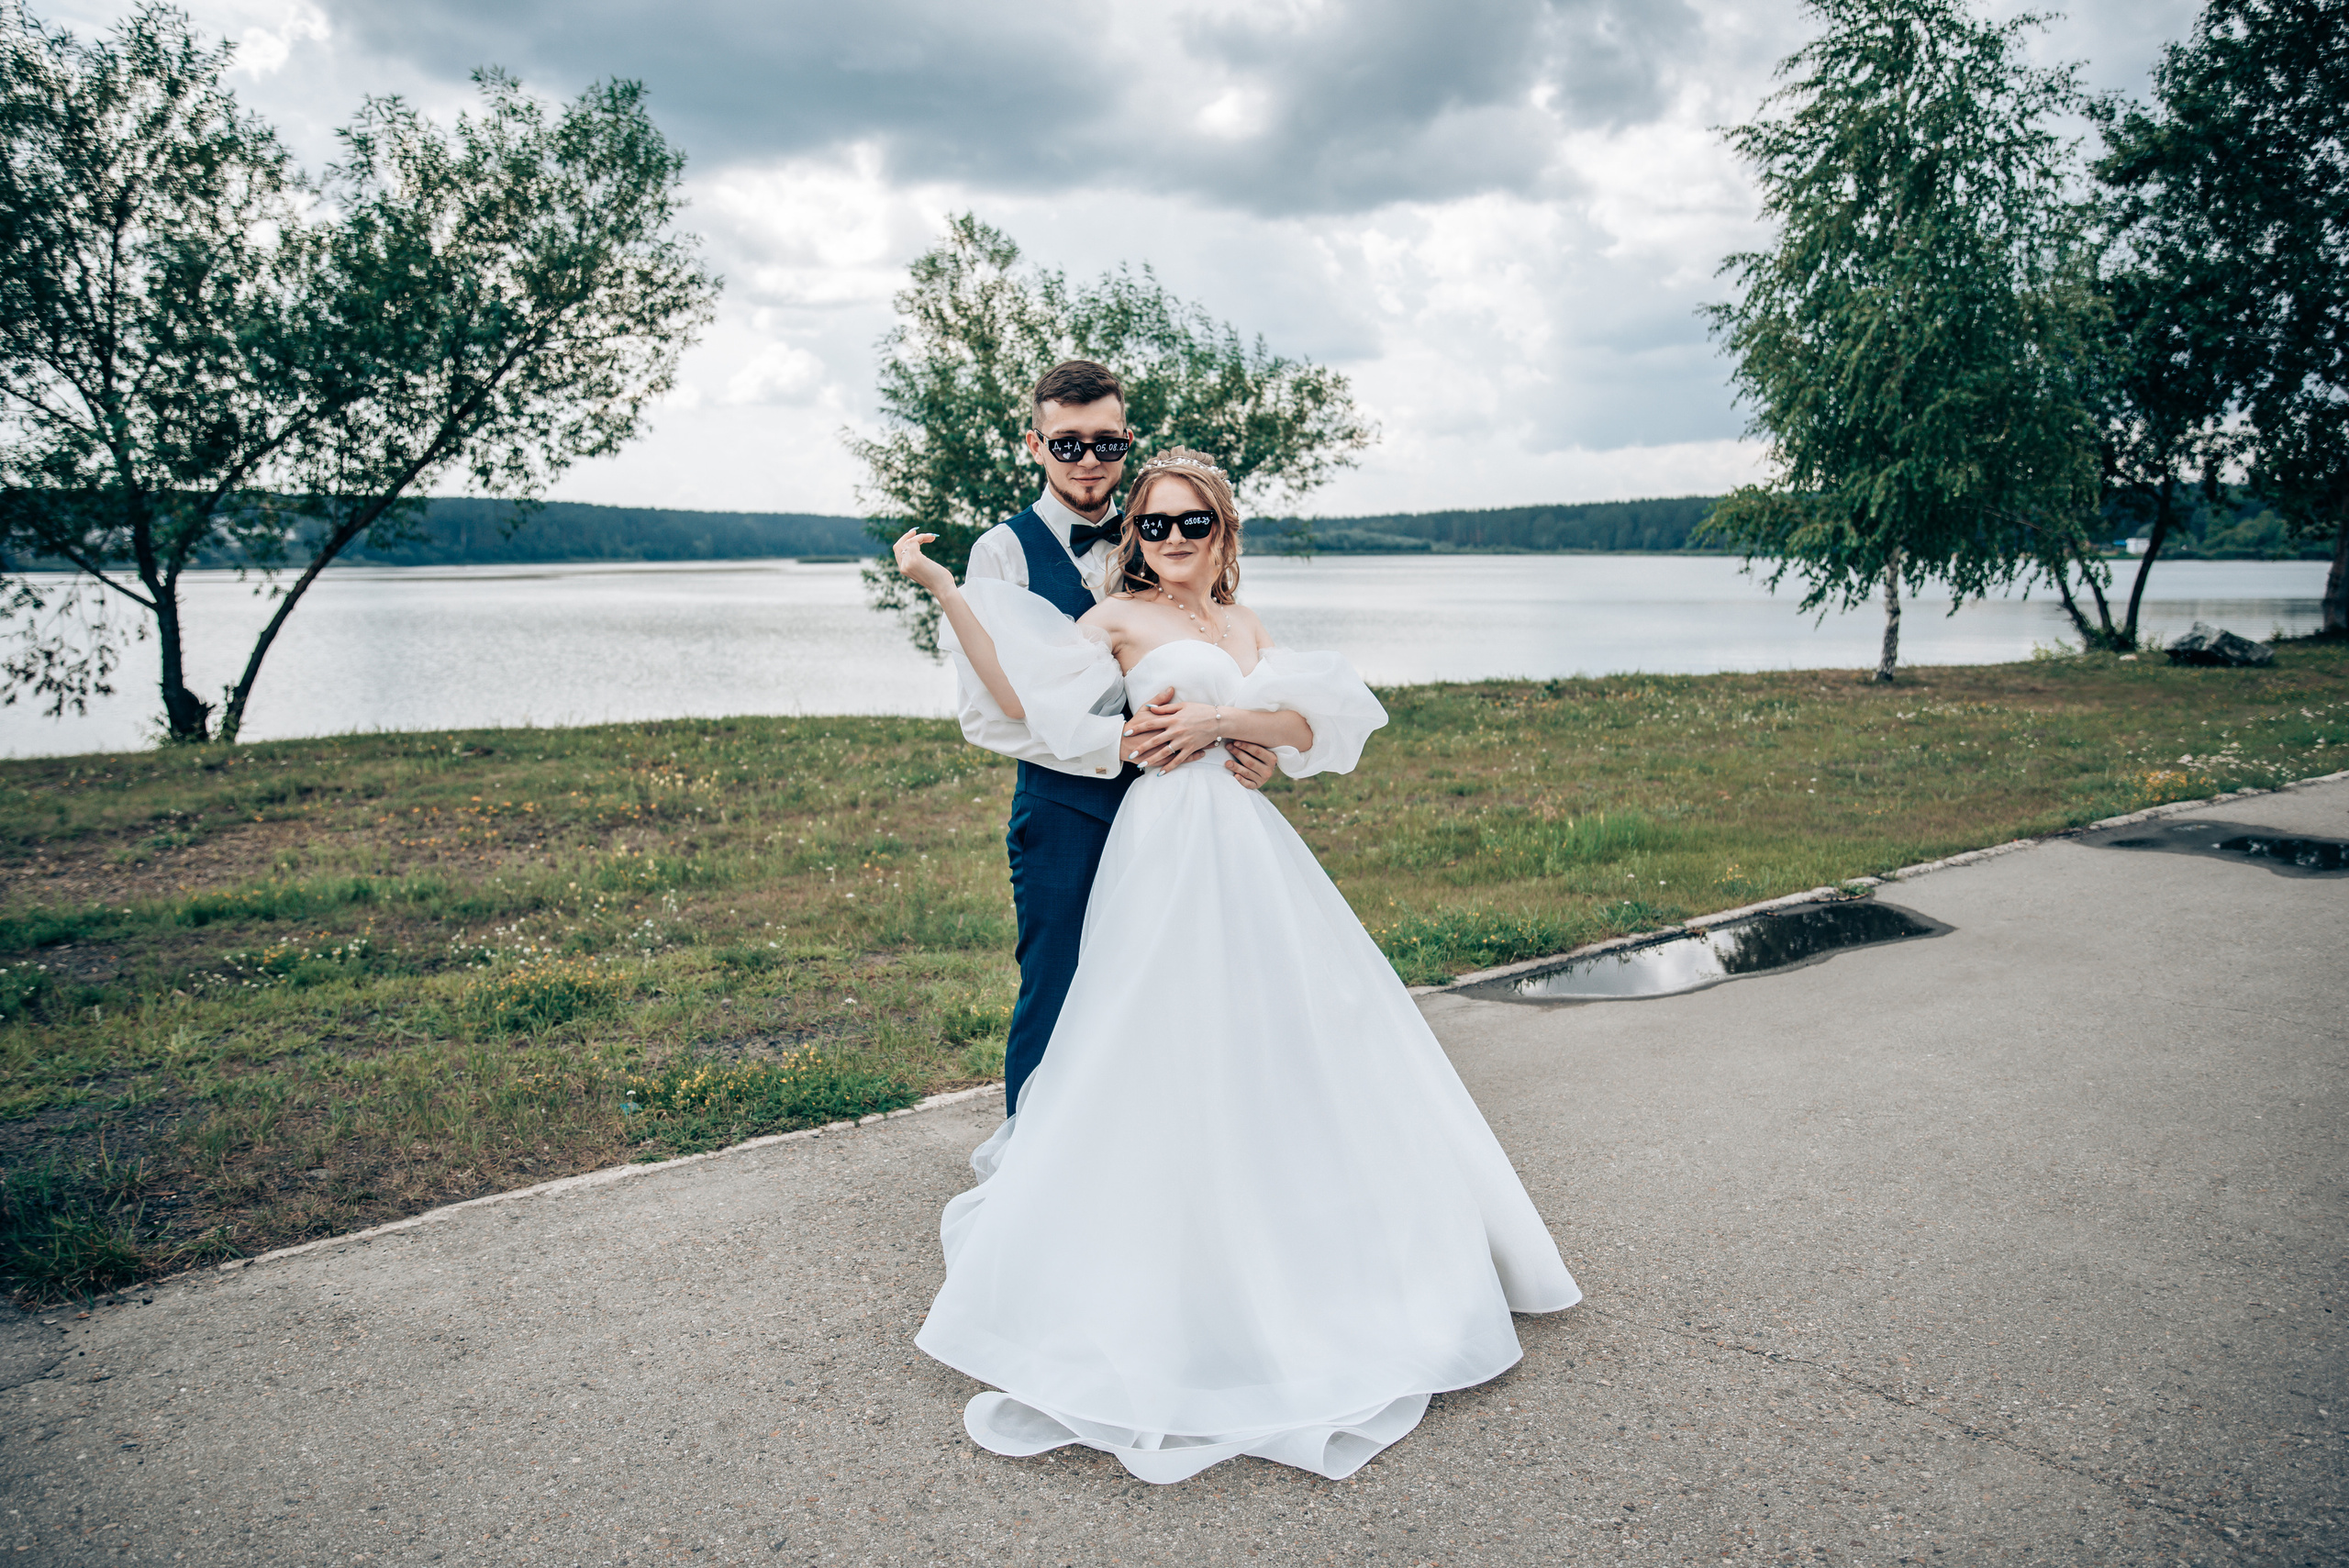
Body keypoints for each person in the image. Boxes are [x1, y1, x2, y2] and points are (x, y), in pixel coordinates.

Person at [890, 449, 1580, 1485]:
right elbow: (1019, 691)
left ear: (1222, 531)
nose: (1171, 540)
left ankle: (1309, 1234)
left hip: (1249, 842)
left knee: (1291, 1030)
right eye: (1153, 524)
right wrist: (946, 590)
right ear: (1136, 537)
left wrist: (1223, 724)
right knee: (1162, 1029)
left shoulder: (1243, 623)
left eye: (1191, 523)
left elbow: (1304, 723)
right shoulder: (1117, 618)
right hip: (1167, 839)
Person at [951, 361, 1279, 1118]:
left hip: (1186, 814)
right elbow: (988, 712)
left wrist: (1246, 742)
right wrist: (1116, 744)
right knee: (1059, 985)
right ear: (1036, 444)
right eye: (1068, 443)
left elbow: (1219, 654)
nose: (1088, 460)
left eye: (1106, 442)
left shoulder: (1163, 530)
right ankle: (1031, 1158)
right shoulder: (1000, 554)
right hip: (1068, 810)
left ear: (1127, 440)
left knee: (1175, 984)